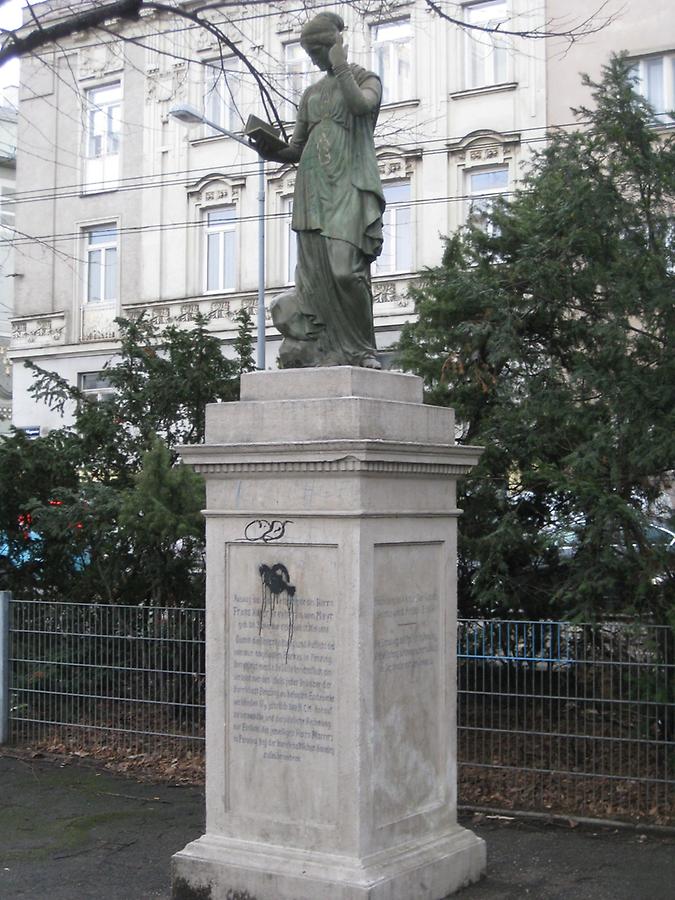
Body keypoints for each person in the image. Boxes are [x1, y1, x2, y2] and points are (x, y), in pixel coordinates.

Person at [250, 12, 385, 369]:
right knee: (315, 274)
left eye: (317, 52)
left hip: (349, 185)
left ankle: (361, 350)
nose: (313, 60)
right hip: (312, 187)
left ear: (334, 45)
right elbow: (297, 147)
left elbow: (361, 106)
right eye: (310, 54)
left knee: (345, 270)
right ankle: (323, 346)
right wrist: (270, 149)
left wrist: (341, 67)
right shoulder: (311, 93)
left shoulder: (364, 78)